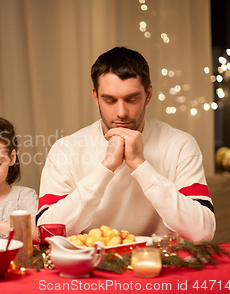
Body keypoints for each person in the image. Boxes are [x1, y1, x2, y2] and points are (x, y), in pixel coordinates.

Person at [36, 47, 215, 242]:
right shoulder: (66, 150)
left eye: (131, 99)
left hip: (160, 264)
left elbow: (202, 232)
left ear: (148, 94)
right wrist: (106, 168)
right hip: (92, 266)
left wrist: (140, 166)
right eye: (110, 100)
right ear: (96, 96)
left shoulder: (180, 145)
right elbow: (47, 232)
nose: (121, 112)